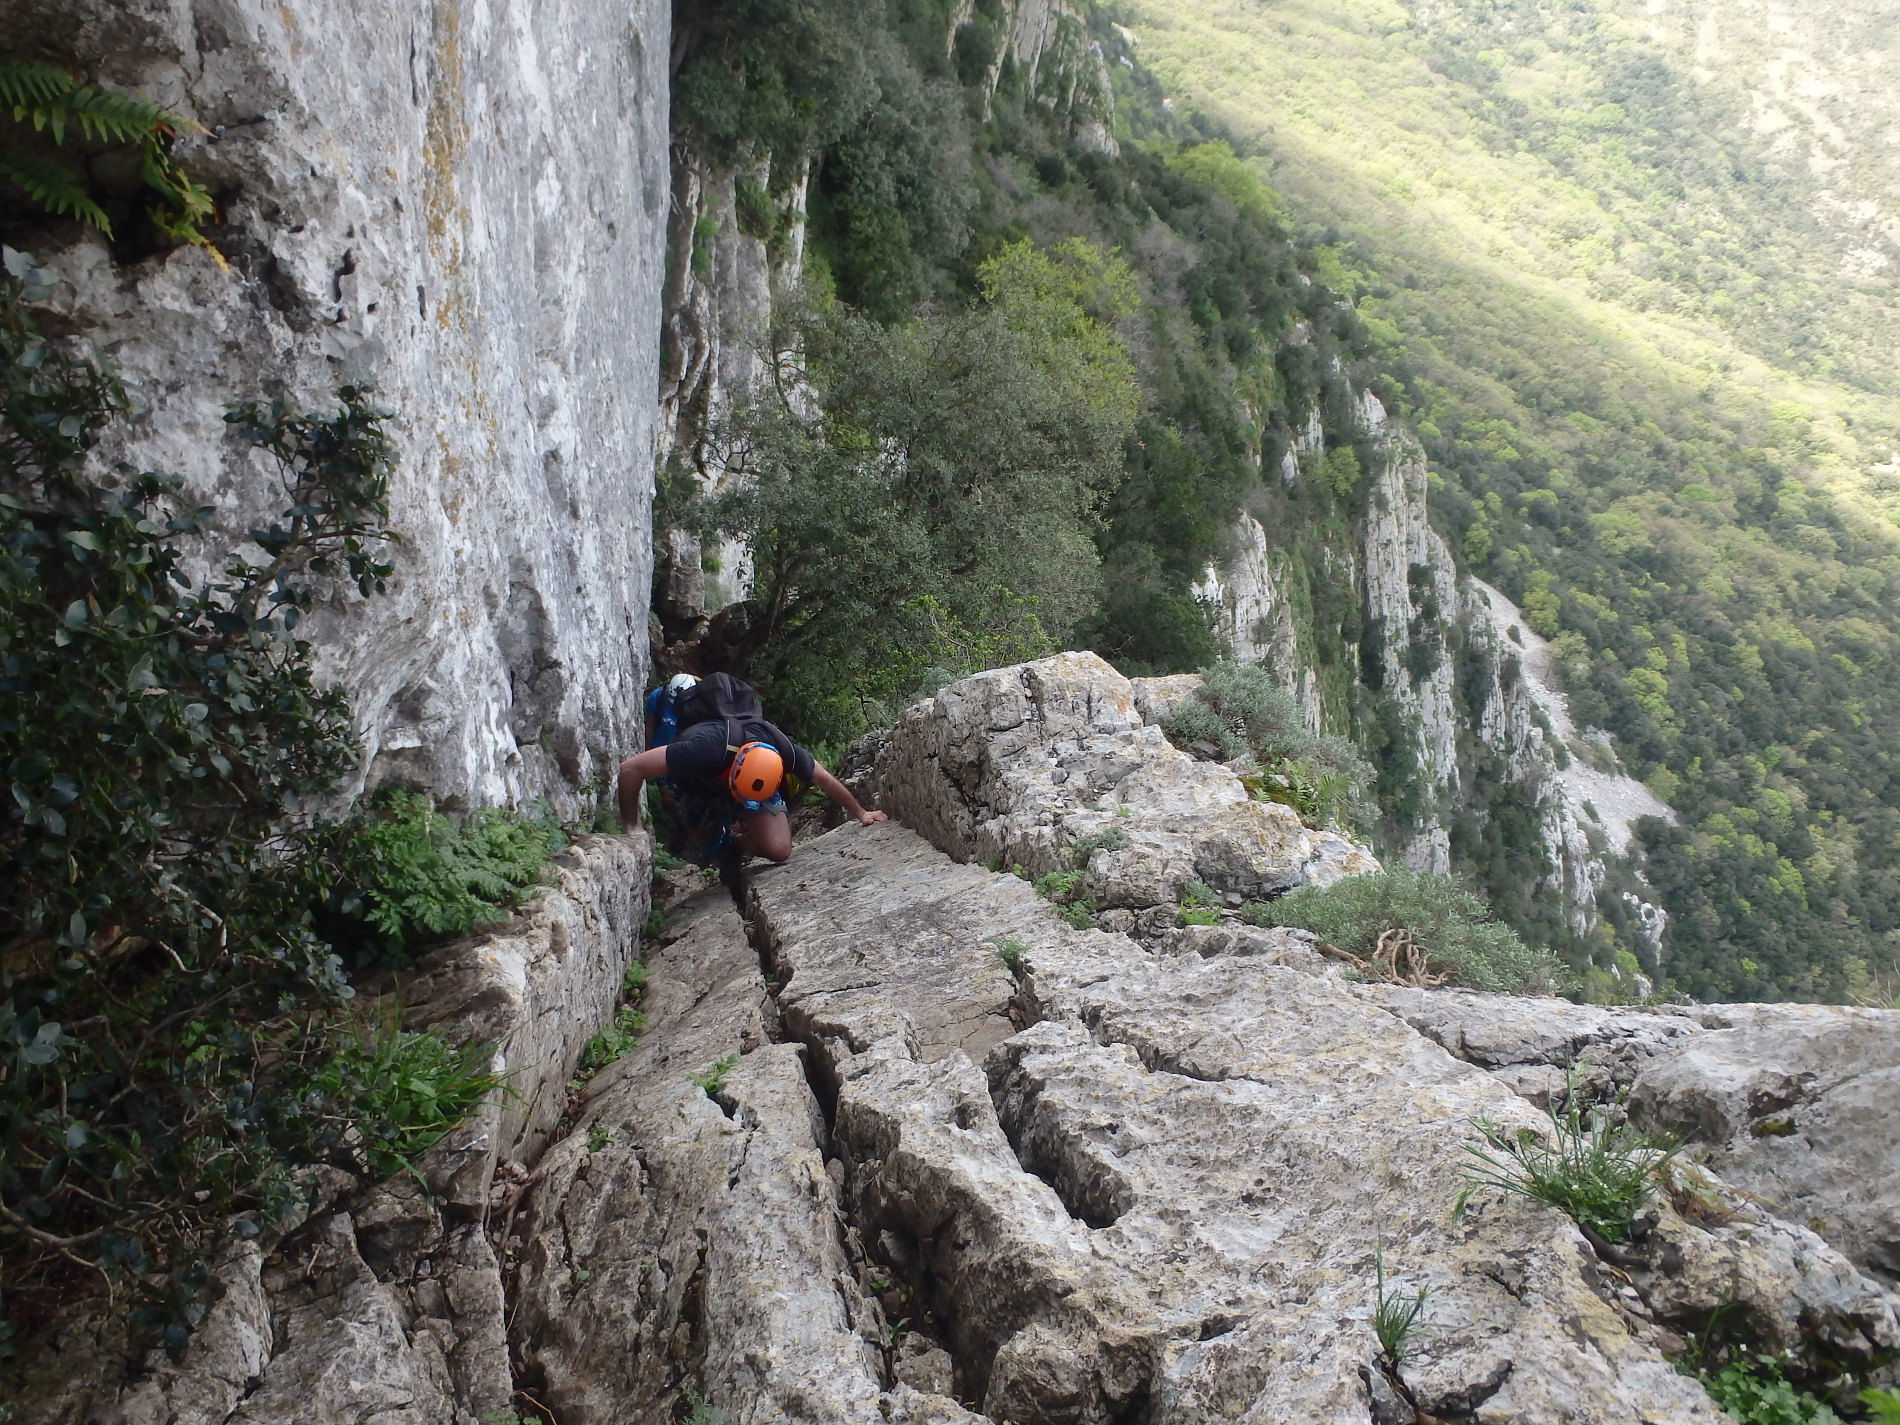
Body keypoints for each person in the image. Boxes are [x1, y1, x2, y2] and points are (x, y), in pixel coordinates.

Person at [616, 672, 886, 866]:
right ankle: (710, 842)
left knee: (779, 851)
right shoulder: (701, 747)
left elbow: (824, 778)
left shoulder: (779, 746)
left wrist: (861, 813)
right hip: (702, 777)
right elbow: (630, 770)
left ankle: (737, 838)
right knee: (699, 827)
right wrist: (631, 826)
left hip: (753, 779)